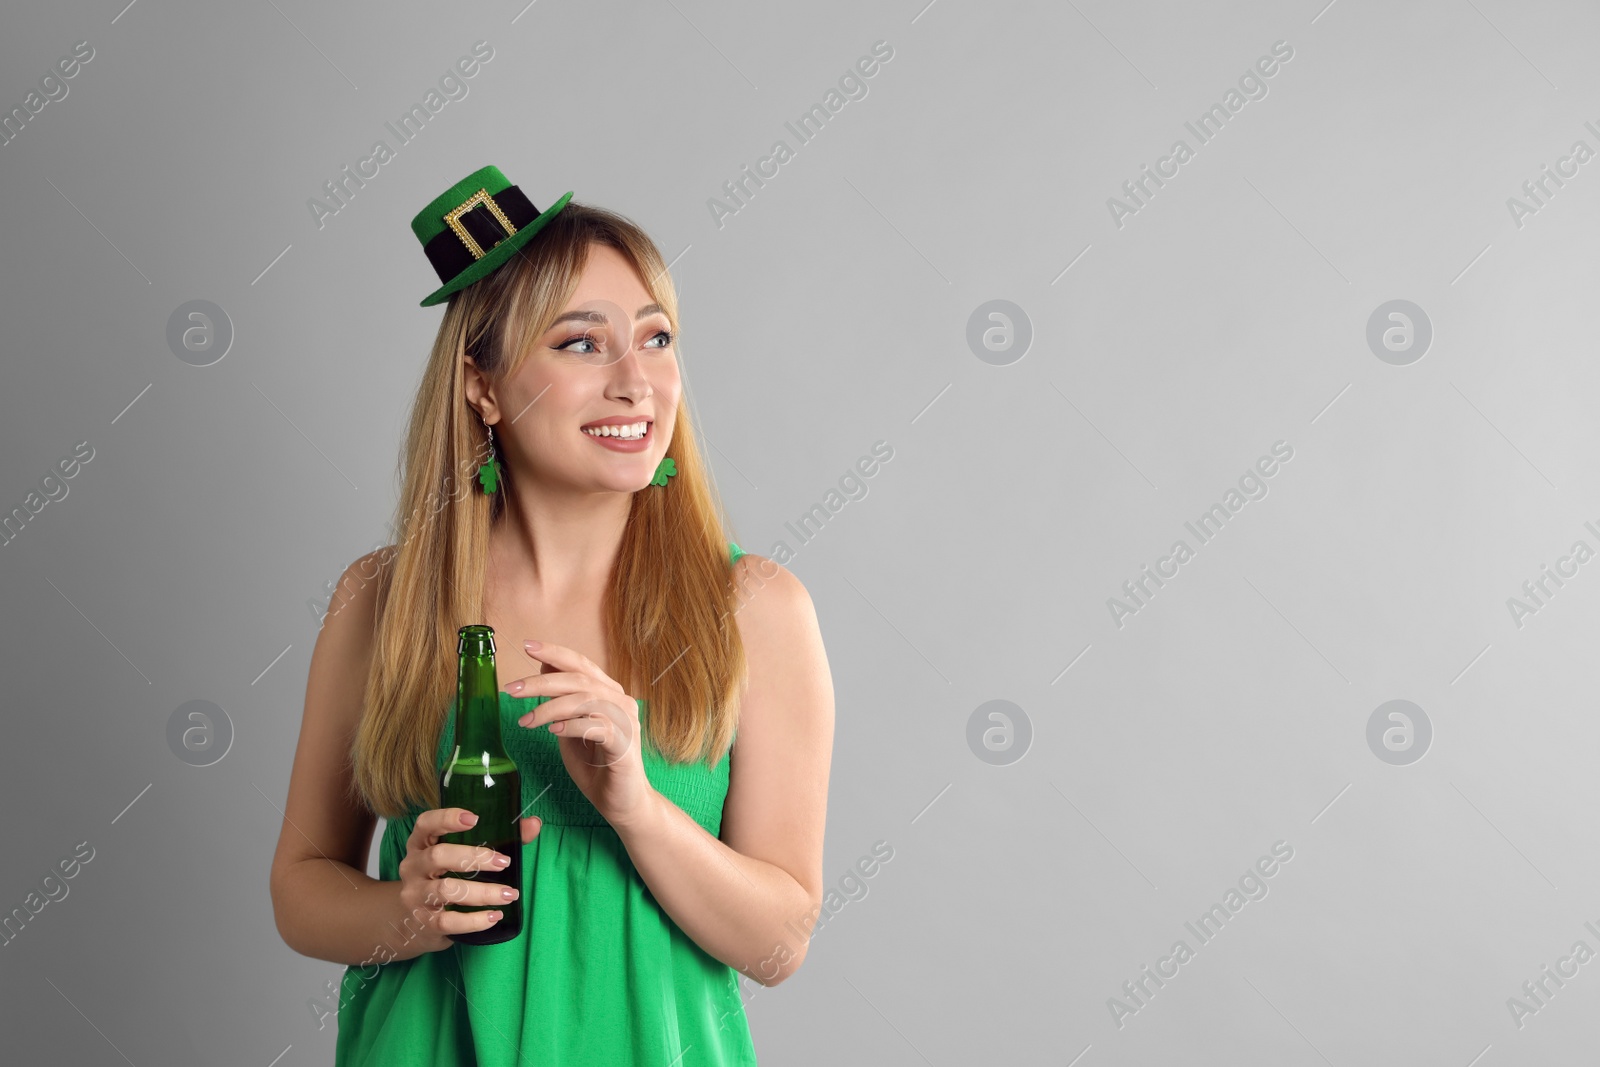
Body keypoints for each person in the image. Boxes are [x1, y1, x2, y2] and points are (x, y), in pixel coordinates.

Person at [268, 166, 835, 1064]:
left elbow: (778, 946)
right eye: (581, 344)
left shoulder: (756, 610)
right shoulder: (380, 602)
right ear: (482, 387)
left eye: (657, 339)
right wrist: (405, 914)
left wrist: (634, 804)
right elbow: (300, 889)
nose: (635, 382)